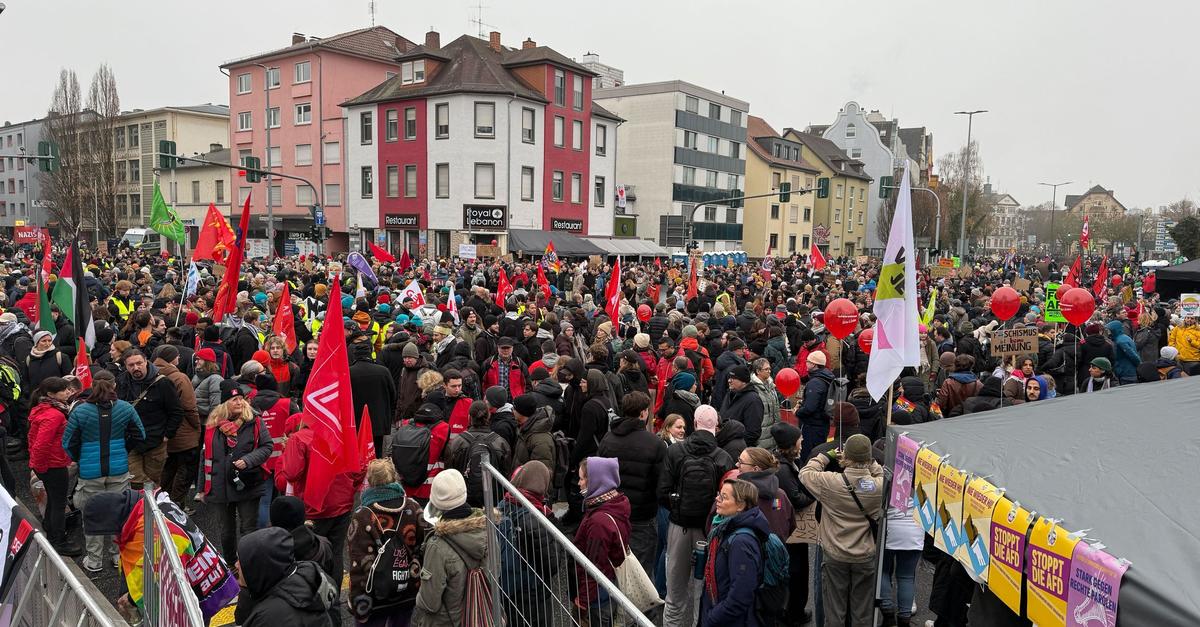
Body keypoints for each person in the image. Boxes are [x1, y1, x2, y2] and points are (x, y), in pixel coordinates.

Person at [659, 405, 734, 627]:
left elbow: (662, 492)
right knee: (704, 591)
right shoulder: (723, 457)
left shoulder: (675, 451)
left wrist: (677, 509)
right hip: (709, 530)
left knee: (674, 590)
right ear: (716, 426)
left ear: (694, 421)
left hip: (679, 526)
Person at [63, 370, 144, 573]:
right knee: (119, 512)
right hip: (118, 468)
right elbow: (140, 434)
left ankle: (94, 559)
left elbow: (68, 442)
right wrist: (124, 448)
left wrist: (80, 457)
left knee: (92, 513)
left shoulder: (80, 411)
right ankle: (117, 556)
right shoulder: (125, 408)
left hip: (90, 471)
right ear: (114, 385)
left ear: (91, 384)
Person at [799, 434, 883, 627]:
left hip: (835, 554)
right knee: (862, 611)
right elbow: (880, 475)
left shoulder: (830, 482)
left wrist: (825, 456)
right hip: (865, 554)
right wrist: (871, 464)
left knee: (834, 610)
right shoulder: (879, 486)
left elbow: (805, 473)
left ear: (846, 456)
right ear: (868, 457)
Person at [346, 459, 427, 627]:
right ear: (394, 478)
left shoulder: (362, 515)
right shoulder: (413, 507)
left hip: (372, 596)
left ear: (370, 482)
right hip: (407, 588)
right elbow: (423, 546)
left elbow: (359, 561)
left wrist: (356, 598)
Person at [598, 391, 667, 578]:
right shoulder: (656, 444)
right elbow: (662, 484)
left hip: (612, 512)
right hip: (642, 516)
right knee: (641, 572)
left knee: (613, 565)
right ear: (644, 413)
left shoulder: (608, 439)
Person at [200, 380, 272, 560]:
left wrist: (247, 460)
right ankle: (231, 563)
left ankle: (248, 565)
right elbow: (205, 457)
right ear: (225, 403)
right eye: (234, 400)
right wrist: (202, 487)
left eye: (241, 399)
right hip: (219, 487)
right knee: (226, 531)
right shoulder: (212, 425)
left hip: (247, 483)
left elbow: (267, 446)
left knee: (248, 528)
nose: (239, 402)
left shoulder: (254, 421)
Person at [411, 470, 490, 627]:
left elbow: (429, 603)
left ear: (435, 501)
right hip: (481, 615)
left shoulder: (437, 546)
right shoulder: (489, 530)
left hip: (447, 622)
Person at [497, 461, 560, 627]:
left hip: (506, 587)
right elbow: (552, 564)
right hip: (531, 594)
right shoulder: (536, 518)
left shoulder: (504, 504)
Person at [699, 478, 770, 627]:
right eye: (719, 494)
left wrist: (712, 618)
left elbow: (741, 595)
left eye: (724, 497)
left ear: (740, 505)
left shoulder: (741, 542)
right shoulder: (724, 527)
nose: (717, 499)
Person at [234, 527, 338, 626]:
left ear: (258, 567)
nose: (236, 565)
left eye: (241, 560)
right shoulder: (308, 573)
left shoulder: (269, 618)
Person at [573, 456, 631, 624]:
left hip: (597, 596)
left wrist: (582, 603)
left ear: (595, 481)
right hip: (606, 587)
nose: (579, 483)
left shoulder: (599, 521)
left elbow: (594, 567)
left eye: (582, 478)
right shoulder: (613, 502)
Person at [27, 377, 81, 556]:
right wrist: (40, 466)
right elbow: (41, 444)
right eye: (64, 390)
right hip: (53, 465)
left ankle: (50, 529)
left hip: (48, 464)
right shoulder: (54, 415)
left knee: (53, 499)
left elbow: (34, 440)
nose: (68, 392)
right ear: (51, 394)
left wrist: (37, 465)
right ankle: (58, 540)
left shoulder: (42, 409)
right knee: (58, 503)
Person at [116, 348, 183, 489]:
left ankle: (154, 506)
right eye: (131, 365)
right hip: (130, 442)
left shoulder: (163, 383)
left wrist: (167, 435)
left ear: (146, 362)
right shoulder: (121, 381)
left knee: (153, 480)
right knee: (137, 481)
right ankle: (143, 507)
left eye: (139, 363)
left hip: (155, 441)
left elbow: (176, 411)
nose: (136, 368)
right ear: (126, 366)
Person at [770, 422, 814, 625]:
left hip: (790, 529)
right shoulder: (783, 470)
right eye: (799, 439)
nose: (802, 441)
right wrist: (813, 495)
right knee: (795, 573)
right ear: (791, 444)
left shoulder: (788, 462)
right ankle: (793, 614)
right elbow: (795, 498)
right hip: (791, 531)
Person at [152, 344, 202, 506]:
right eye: (176, 355)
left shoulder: (151, 374)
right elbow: (189, 407)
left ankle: (161, 503)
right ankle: (176, 506)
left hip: (162, 431)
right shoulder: (179, 377)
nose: (179, 357)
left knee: (168, 469)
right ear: (170, 358)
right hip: (184, 432)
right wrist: (197, 426)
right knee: (185, 470)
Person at [443, 400, 511, 507]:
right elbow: (506, 475)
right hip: (493, 502)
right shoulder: (501, 443)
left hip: (463, 501)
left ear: (469, 417)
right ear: (488, 416)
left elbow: (449, 473)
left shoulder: (456, 443)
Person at [349, 331, 397, 455]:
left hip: (355, 422)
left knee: (357, 453)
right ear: (370, 354)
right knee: (377, 452)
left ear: (355, 356)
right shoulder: (383, 371)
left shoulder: (348, 373)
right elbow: (393, 395)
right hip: (379, 422)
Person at [796, 351, 834, 462]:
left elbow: (810, 408)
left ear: (814, 364)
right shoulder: (828, 377)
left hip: (812, 426)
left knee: (808, 457)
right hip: (823, 423)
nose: (806, 363)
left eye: (808, 361)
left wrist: (798, 411)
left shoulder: (815, 382)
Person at [721, 365, 765, 447]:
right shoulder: (730, 394)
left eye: (733, 378)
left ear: (744, 381)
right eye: (729, 377)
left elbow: (753, 433)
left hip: (739, 449)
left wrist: (736, 445)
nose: (729, 380)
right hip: (725, 445)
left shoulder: (753, 400)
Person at [748, 358, 780, 451]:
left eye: (770, 369)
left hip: (773, 431)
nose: (769, 371)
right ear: (758, 371)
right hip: (761, 434)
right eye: (766, 369)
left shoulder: (771, 385)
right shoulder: (753, 388)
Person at [1106, 320, 1141, 385]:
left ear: (1114, 330)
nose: (1108, 333)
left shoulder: (1120, 341)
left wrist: (1139, 365)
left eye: (1109, 330)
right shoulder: (1124, 338)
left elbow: (1133, 356)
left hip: (1126, 372)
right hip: (1128, 371)